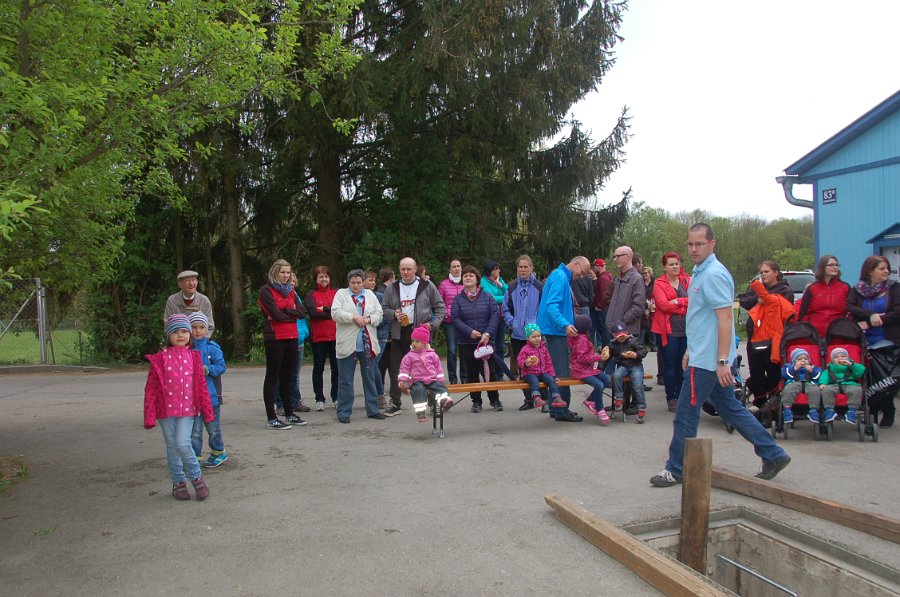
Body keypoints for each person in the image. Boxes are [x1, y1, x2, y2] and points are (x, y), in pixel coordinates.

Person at [650, 223, 790, 488]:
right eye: (690, 244)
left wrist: (723, 361)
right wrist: (691, 349)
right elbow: (700, 318)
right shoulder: (699, 272)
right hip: (704, 356)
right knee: (731, 409)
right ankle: (773, 454)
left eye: (699, 244)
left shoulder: (714, 274)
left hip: (709, 362)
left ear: (712, 244)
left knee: (685, 414)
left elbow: (725, 319)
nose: (693, 249)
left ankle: (676, 468)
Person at [144, 314, 214, 501]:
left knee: (183, 443)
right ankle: (178, 483)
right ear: (168, 335)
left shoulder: (194, 357)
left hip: (188, 411)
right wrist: (149, 415)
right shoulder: (160, 358)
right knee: (173, 447)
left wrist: (207, 412)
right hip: (165, 412)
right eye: (175, 331)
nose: (180, 335)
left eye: (184, 331)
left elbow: (201, 387)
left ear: (189, 334)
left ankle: (197, 478)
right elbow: (151, 388)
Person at [382, 257, 446, 416]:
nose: (405, 272)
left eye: (409, 269)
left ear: (415, 269)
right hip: (399, 333)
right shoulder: (392, 287)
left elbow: (440, 307)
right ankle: (395, 402)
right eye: (402, 269)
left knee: (426, 370)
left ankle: (433, 404)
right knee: (396, 369)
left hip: (420, 333)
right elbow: (383, 309)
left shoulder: (426, 285)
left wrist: (432, 324)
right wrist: (394, 314)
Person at [536, 255, 592, 422]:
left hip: (553, 330)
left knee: (555, 371)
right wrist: (565, 325)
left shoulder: (559, 275)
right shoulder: (560, 276)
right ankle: (562, 410)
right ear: (576, 264)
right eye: (582, 272)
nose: (581, 276)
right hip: (555, 331)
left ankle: (555, 407)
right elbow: (551, 305)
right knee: (562, 373)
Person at [847, 255, 900, 427]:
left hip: (888, 339)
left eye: (887, 268)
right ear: (870, 271)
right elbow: (851, 307)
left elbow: (897, 312)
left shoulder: (894, 288)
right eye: (881, 268)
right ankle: (872, 411)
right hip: (864, 340)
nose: (886, 271)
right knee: (868, 376)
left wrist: (877, 320)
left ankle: (888, 410)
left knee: (884, 376)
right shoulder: (858, 289)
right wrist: (870, 316)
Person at [258, 259, 308, 430]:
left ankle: (289, 413)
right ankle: (271, 418)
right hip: (275, 338)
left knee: (288, 377)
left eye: (288, 272)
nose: (286, 275)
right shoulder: (266, 291)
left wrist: (286, 311)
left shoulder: (291, 291)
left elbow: (302, 312)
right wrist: (290, 314)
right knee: (273, 377)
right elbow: (274, 314)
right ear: (275, 272)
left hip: (292, 336)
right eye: (282, 272)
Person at [330, 269, 385, 424]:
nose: (356, 285)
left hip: (367, 344)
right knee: (345, 380)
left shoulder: (370, 295)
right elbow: (335, 313)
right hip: (348, 344)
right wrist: (353, 317)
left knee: (370, 378)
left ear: (363, 282)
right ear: (348, 282)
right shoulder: (341, 294)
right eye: (353, 283)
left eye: (359, 282)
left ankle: (373, 409)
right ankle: (344, 412)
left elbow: (379, 314)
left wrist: (368, 319)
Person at [739, 261, 795, 408]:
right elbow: (744, 300)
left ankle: (773, 402)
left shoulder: (784, 290)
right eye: (761, 272)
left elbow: (779, 306)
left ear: (776, 273)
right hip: (755, 337)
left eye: (767, 271)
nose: (763, 274)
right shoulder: (757, 289)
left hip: (773, 338)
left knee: (773, 371)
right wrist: (757, 299)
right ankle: (759, 402)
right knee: (756, 371)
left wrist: (766, 299)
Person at [453, 265, 501, 412]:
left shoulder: (488, 297)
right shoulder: (457, 299)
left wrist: (487, 333)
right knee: (471, 373)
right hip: (466, 342)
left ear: (477, 279)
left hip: (486, 341)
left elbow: (494, 316)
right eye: (465, 276)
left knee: (489, 372)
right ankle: (476, 402)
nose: (468, 277)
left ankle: (494, 399)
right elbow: (455, 319)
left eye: (471, 275)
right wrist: (470, 332)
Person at [502, 254, 544, 409]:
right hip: (517, 334)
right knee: (523, 368)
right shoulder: (511, 286)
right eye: (520, 267)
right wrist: (512, 323)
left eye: (526, 267)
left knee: (540, 366)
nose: (523, 269)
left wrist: (537, 326)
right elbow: (505, 309)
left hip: (535, 335)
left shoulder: (539, 287)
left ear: (531, 268)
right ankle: (529, 400)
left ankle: (543, 398)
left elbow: (543, 309)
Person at [188, 313, 228, 468]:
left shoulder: (213, 347)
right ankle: (195, 457)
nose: (198, 331)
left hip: (212, 398)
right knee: (195, 431)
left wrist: (208, 369)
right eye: (194, 327)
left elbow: (221, 367)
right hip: (192, 398)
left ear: (206, 328)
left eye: (201, 327)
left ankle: (219, 452)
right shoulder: (186, 349)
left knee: (213, 428)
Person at [652, 252, 691, 412]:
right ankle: (671, 397)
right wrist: (684, 307)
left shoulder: (687, 280)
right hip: (667, 331)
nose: (675, 266)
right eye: (671, 264)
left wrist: (677, 301)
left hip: (686, 329)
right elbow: (663, 305)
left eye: (677, 263)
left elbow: (695, 300)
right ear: (664, 267)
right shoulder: (659, 284)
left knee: (683, 364)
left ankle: (682, 395)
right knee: (670, 364)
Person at [398, 325, 454, 421]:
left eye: (417, 341)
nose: (414, 343)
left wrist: (440, 379)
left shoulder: (432, 354)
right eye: (413, 341)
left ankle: (445, 401)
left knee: (440, 388)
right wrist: (402, 380)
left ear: (424, 343)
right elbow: (404, 368)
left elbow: (438, 368)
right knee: (418, 391)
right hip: (417, 380)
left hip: (431, 379)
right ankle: (420, 413)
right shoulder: (409, 356)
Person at [275, 273, 311, 416]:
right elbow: (280, 313)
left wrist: (304, 333)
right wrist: (292, 312)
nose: (291, 283)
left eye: (293, 281)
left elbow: (302, 314)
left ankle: (295, 401)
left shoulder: (296, 296)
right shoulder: (278, 296)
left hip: (299, 339)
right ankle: (280, 404)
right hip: (284, 338)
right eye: (289, 281)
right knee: (281, 374)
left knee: (295, 374)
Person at [305, 265, 339, 411]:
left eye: (326, 276)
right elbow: (313, 313)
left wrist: (323, 309)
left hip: (336, 336)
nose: (324, 279)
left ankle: (336, 397)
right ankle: (319, 398)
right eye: (321, 277)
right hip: (319, 337)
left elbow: (341, 311)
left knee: (336, 368)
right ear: (316, 279)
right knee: (318, 368)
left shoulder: (337, 292)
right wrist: (331, 312)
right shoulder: (311, 294)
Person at [568, 314, 611, 425]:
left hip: (588, 369)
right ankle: (599, 408)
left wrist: (596, 356)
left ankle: (590, 400)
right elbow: (582, 358)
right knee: (599, 385)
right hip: (580, 370)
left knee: (606, 379)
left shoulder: (582, 337)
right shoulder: (582, 340)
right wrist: (599, 357)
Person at [797, 255, 851, 338]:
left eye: (837, 265)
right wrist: (806, 331)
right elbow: (804, 313)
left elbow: (851, 311)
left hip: (839, 334)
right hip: (815, 334)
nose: (835, 267)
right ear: (822, 267)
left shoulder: (845, 288)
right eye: (831, 265)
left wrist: (846, 327)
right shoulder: (812, 288)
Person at [516, 323, 563, 409]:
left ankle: (556, 397)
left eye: (538, 336)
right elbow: (519, 361)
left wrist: (553, 376)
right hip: (529, 373)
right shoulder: (525, 349)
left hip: (542, 372)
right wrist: (526, 364)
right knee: (534, 381)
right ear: (528, 338)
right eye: (533, 337)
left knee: (551, 381)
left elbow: (549, 363)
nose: (537, 339)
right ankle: (536, 398)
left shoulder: (543, 348)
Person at [609, 322, 648, 423]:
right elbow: (607, 357)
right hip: (623, 366)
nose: (622, 338)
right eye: (619, 336)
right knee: (616, 376)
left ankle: (641, 407)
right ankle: (619, 397)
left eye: (623, 335)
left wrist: (636, 354)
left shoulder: (633, 341)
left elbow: (644, 350)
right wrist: (600, 367)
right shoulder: (613, 344)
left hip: (635, 365)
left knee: (638, 385)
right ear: (614, 335)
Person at [605, 246, 645, 342]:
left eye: (618, 256)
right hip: (613, 330)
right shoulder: (617, 279)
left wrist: (621, 321)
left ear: (627, 257)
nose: (615, 259)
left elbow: (638, 307)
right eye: (614, 257)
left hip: (627, 332)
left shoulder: (637, 279)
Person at [481, 259, 512, 380]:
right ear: (490, 270)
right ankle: (490, 373)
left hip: (502, 317)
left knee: (500, 345)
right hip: (489, 318)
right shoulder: (483, 282)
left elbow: (510, 293)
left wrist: (500, 284)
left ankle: (500, 374)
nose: (499, 270)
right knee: (490, 346)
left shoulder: (500, 280)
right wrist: (504, 297)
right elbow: (491, 298)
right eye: (496, 269)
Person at [364, 271, 391, 409]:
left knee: (373, 365)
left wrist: (371, 322)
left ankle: (379, 395)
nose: (373, 283)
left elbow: (384, 317)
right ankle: (372, 395)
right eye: (370, 280)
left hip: (380, 336)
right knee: (369, 366)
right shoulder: (359, 297)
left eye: (374, 280)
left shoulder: (379, 296)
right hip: (365, 335)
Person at [818, 347, 865, 425]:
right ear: (832, 360)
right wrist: (823, 383)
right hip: (834, 385)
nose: (840, 358)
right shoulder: (830, 369)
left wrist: (851, 364)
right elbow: (824, 376)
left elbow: (861, 371)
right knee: (826, 390)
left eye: (843, 356)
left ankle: (852, 411)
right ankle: (829, 410)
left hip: (849, 384)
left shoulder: (851, 367)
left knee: (856, 390)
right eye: (836, 357)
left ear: (848, 358)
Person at [437, 259, 466, 384]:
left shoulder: (466, 282)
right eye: (453, 266)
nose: (456, 268)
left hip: (465, 322)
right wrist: (446, 313)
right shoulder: (443, 284)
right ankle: (453, 379)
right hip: (450, 322)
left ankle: (465, 378)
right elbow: (439, 303)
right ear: (450, 269)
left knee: (464, 350)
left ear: (461, 268)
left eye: (458, 266)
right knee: (452, 350)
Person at [780, 348, 822, 426]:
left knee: (815, 390)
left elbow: (818, 376)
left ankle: (813, 410)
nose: (803, 361)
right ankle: (787, 409)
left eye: (805, 359)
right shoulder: (789, 367)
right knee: (788, 389)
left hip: (809, 383)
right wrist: (795, 368)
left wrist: (811, 371)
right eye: (799, 359)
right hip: (794, 382)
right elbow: (785, 374)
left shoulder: (813, 367)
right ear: (794, 361)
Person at [164, 270, 215, 334]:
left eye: (193, 280)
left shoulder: (204, 301)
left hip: (200, 339)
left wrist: (202, 339)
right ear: (180, 284)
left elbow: (210, 326)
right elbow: (168, 325)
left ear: (197, 282)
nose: (191, 283)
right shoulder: (172, 300)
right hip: (179, 339)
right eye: (187, 281)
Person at [375, 267, 396, 403]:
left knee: (386, 364)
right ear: (391, 277)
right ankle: (381, 393)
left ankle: (383, 392)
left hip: (387, 333)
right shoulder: (385, 292)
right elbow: (385, 315)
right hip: (386, 334)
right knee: (384, 365)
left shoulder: (381, 290)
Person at [590, 259, 613, 349]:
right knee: (604, 329)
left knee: (604, 329)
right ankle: (606, 347)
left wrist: (599, 305)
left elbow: (604, 294)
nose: (594, 268)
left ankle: (609, 348)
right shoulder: (607, 277)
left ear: (598, 266)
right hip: (605, 307)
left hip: (603, 308)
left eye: (595, 266)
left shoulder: (603, 278)